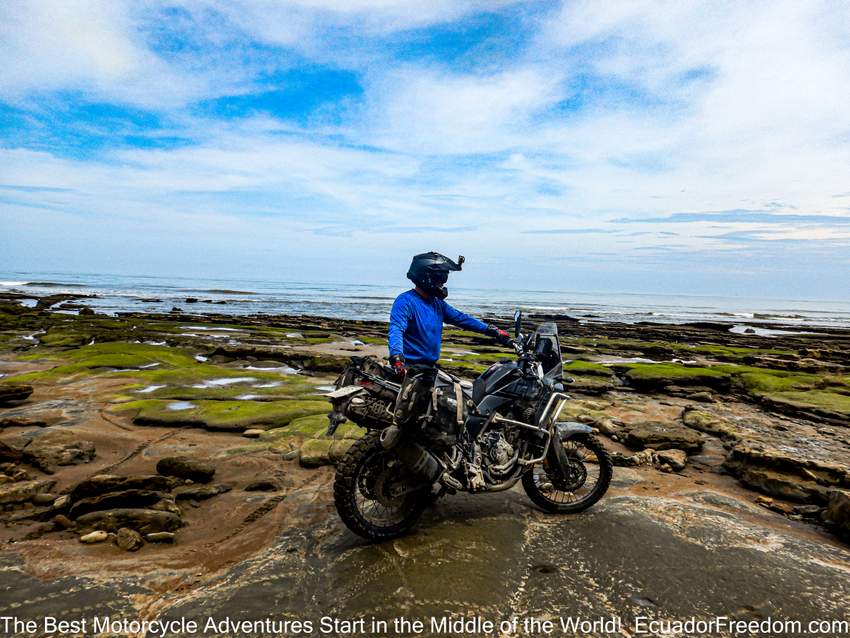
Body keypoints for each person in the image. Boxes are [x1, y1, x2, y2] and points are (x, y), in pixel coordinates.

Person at [388, 252, 511, 429]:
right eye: (440, 279)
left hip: (430, 370)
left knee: (459, 403)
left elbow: (462, 319)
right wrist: (397, 358)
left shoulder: (437, 304)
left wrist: (493, 331)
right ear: (427, 278)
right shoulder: (406, 301)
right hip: (411, 369)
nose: (443, 283)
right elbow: (396, 329)